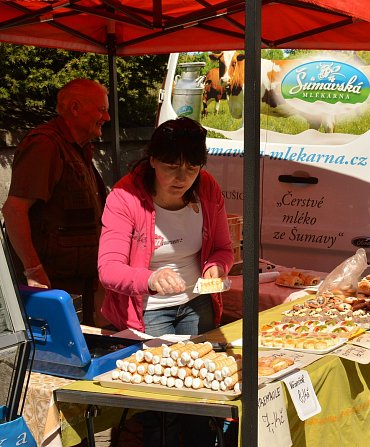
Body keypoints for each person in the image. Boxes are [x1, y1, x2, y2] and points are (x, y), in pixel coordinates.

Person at [97, 117, 233, 446]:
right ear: (153, 159)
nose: (182, 178)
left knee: (201, 395)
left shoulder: (208, 188)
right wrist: (151, 278)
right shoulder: (125, 196)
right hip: (148, 314)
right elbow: (108, 269)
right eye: (172, 166)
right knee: (162, 407)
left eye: (192, 168)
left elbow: (223, 248)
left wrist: (216, 266)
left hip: (197, 305)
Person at [2, 78, 110, 327]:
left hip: (74, 287)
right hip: (50, 289)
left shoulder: (77, 148)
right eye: (101, 110)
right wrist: (33, 270)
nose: (106, 118)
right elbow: (14, 210)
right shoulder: (45, 145)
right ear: (75, 108)